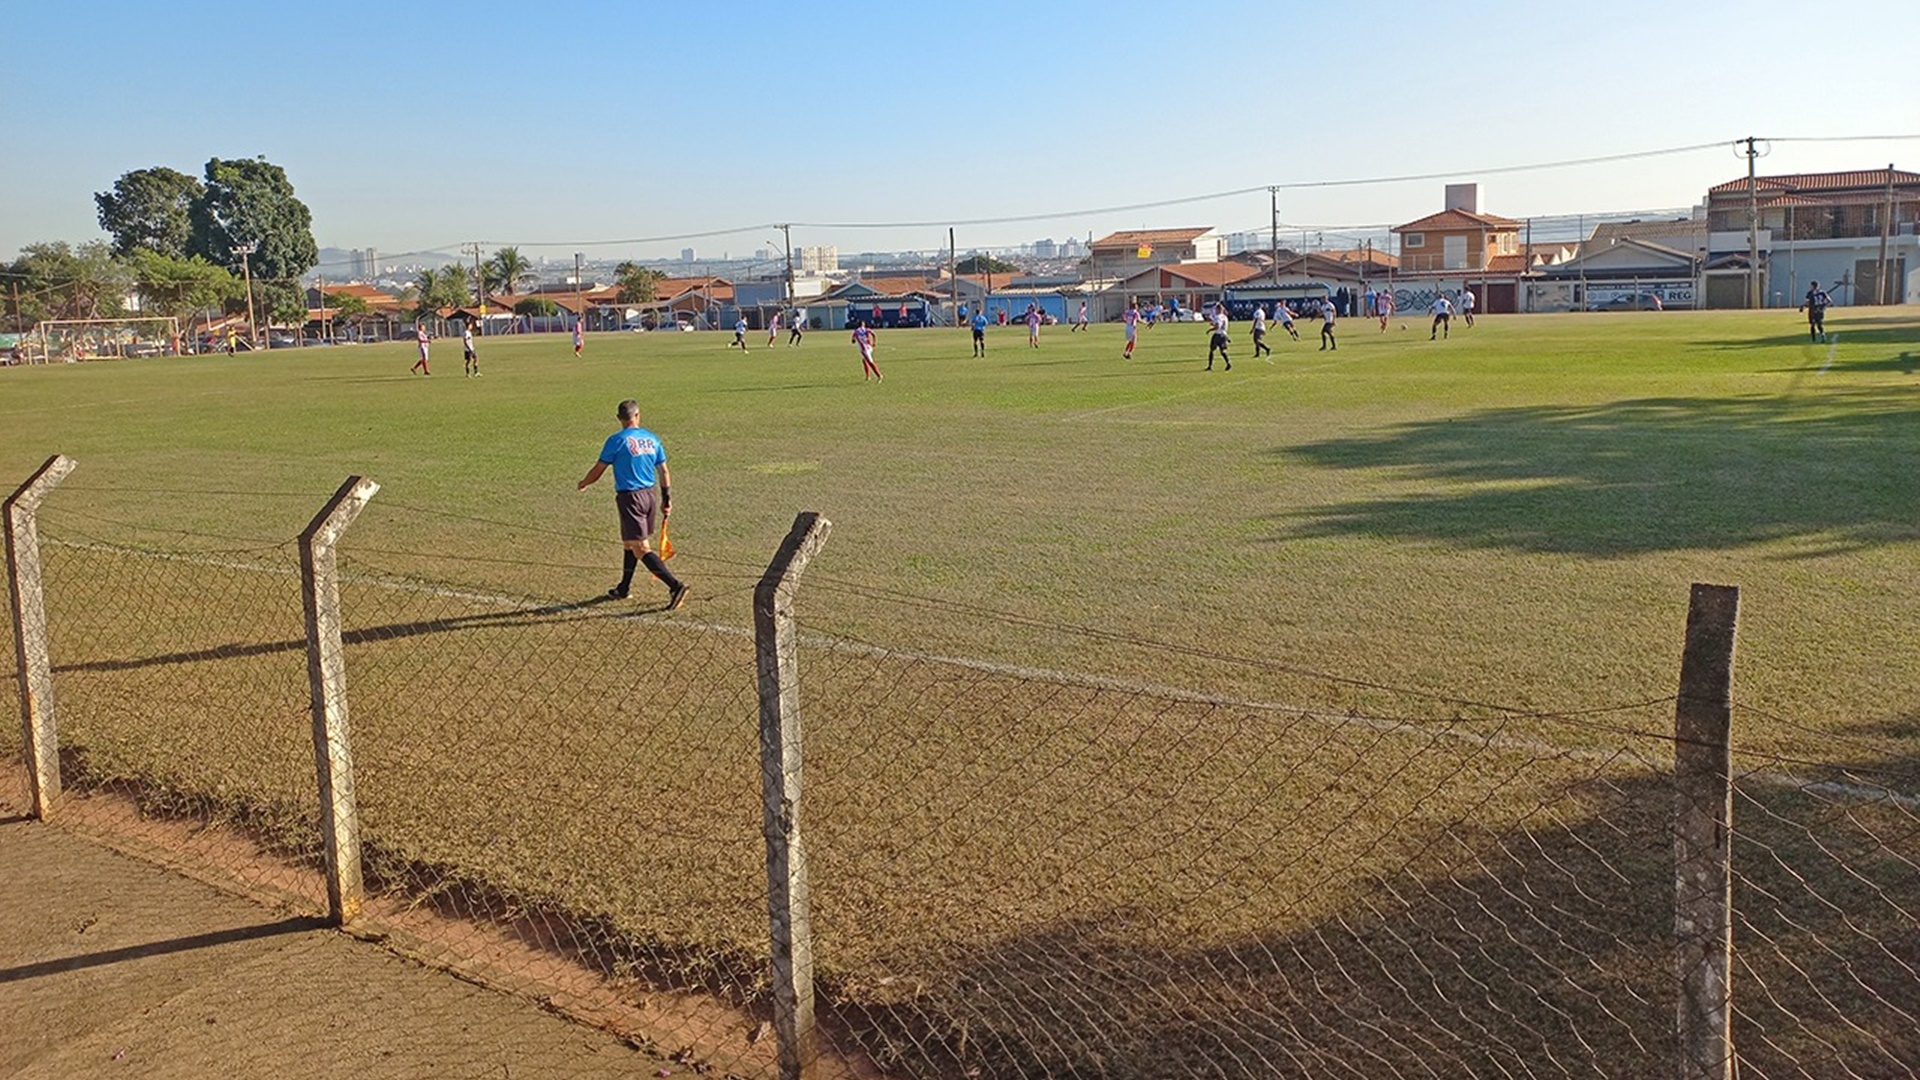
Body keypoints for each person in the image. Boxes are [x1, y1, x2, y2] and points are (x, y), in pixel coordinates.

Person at [578, 399, 687, 610]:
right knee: (630, 542)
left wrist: (584, 483)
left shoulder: (616, 440)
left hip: (630, 498)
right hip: (650, 495)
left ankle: (675, 586)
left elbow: (598, 469)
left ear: (619, 418)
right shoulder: (652, 439)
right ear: (638, 415)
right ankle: (623, 588)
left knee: (640, 547)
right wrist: (667, 500)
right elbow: (663, 471)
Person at [1205, 303, 1231, 371]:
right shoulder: (1225, 317)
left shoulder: (1218, 317)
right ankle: (1228, 363)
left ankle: (1209, 366)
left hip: (1218, 335)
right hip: (1224, 335)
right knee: (1223, 351)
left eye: (1216, 309)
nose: (1215, 311)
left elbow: (1217, 326)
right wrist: (1213, 323)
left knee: (1212, 350)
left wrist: (1210, 330)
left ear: (1218, 309)